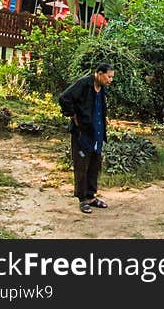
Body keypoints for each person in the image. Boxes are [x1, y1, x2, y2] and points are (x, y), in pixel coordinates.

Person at [58, 62, 114, 214]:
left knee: (94, 165)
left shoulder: (101, 89)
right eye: (108, 77)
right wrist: (73, 115)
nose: (110, 80)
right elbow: (64, 98)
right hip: (82, 133)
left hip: (97, 133)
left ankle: (91, 196)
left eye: (111, 77)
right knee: (81, 166)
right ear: (100, 74)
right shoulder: (84, 84)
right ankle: (82, 199)